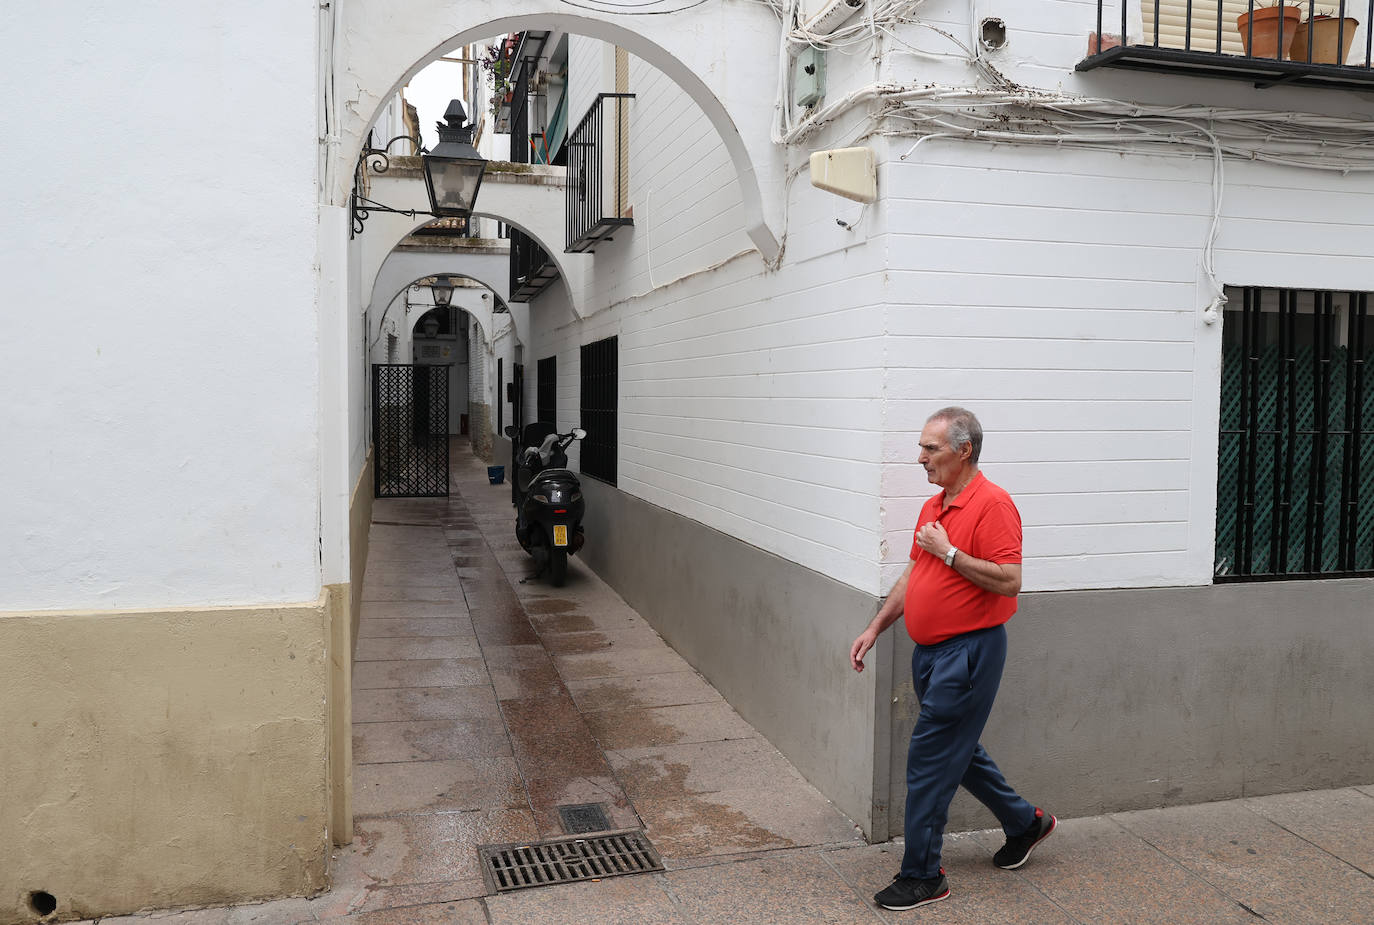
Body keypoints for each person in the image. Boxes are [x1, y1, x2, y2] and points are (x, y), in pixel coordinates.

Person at [850, 406, 1055, 912]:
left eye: (930, 448)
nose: (920, 457)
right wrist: (876, 626)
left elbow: (1010, 580)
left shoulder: (994, 504)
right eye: (921, 447)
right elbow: (913, 575)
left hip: (969, 654)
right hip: (931, 654)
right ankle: (1025, 823)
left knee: (929, 759)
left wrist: (949, 554)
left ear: (963, 450)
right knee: (955, 750)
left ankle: (923, 875)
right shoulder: (934, 507)